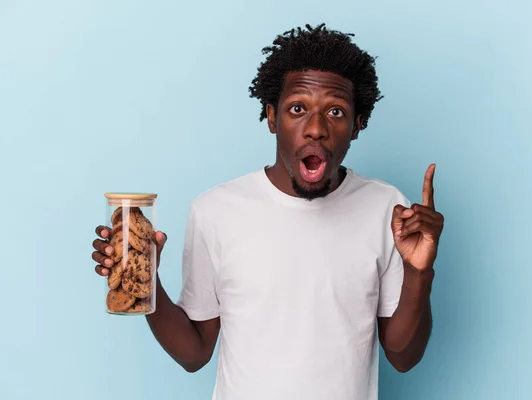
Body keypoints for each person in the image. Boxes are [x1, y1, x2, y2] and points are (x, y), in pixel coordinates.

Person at [91, 23, 444, 400]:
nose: (316, 129)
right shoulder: (215, 211)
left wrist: (419, 272)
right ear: (272, 117)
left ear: (357, 126)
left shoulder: (386, 210)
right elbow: (194, 353)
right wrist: (145, 282)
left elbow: (403, 357)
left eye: (336, 112)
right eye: (297, 109)